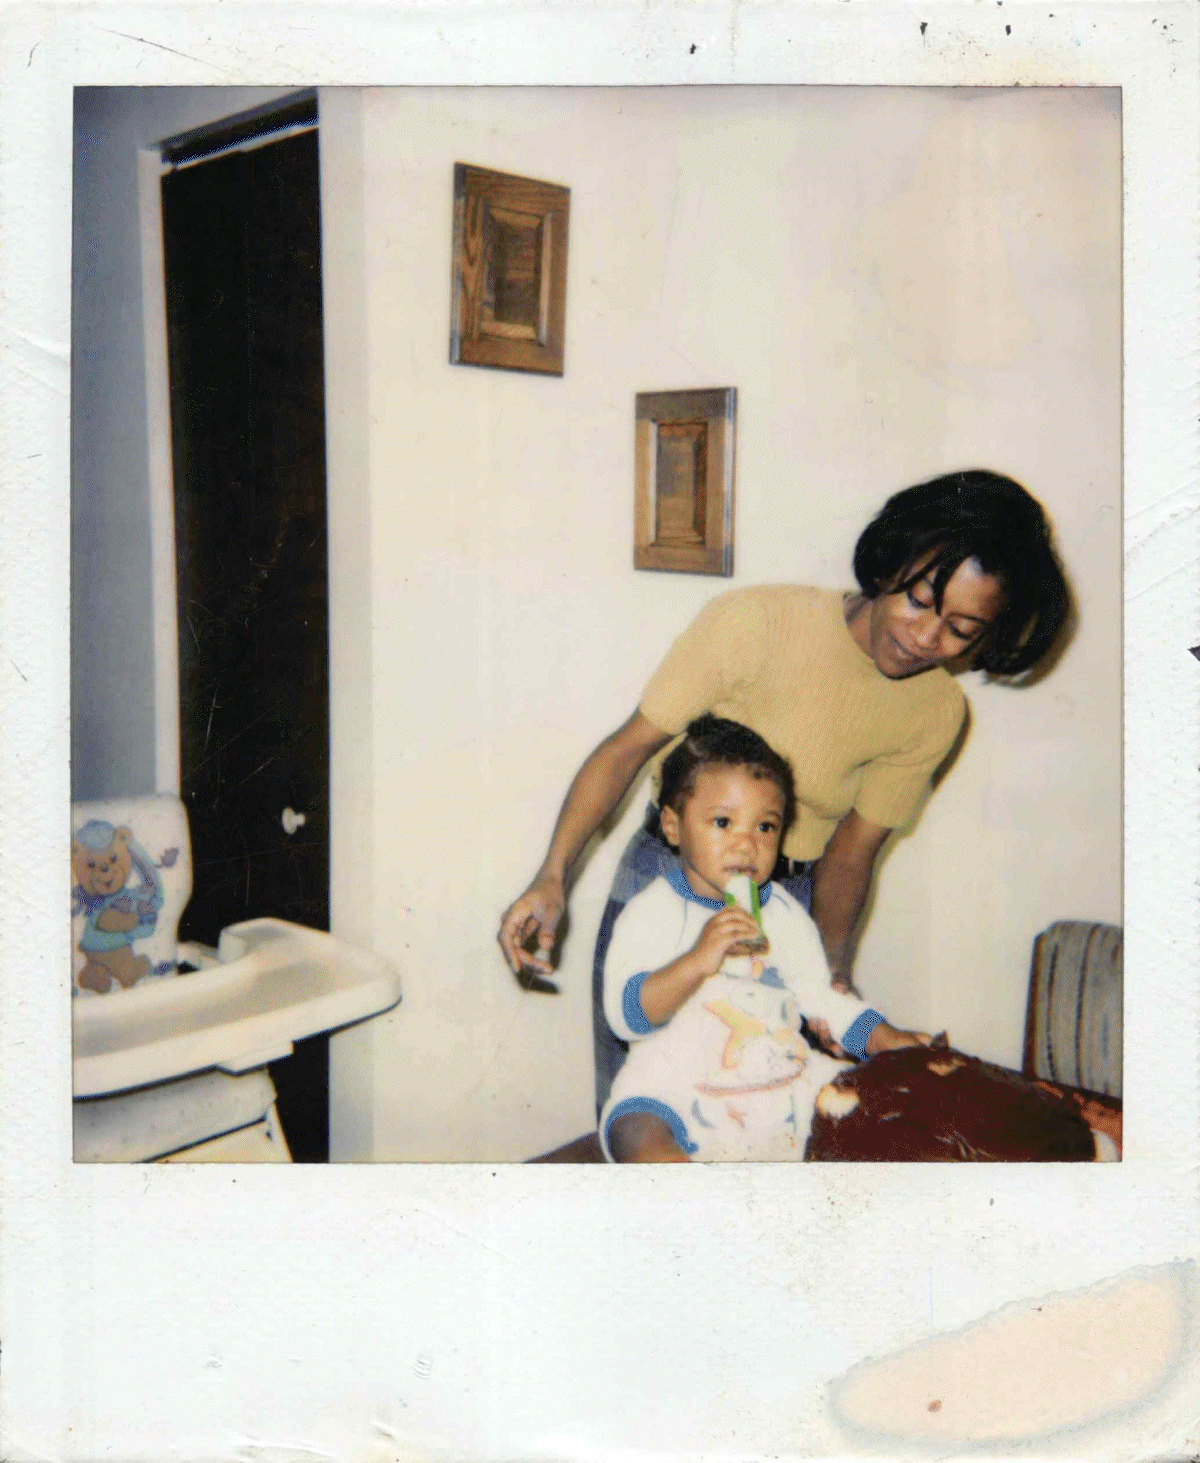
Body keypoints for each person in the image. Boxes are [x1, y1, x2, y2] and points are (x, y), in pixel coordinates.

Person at [497, 468, 1069, 1110]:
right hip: (668, 874)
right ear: (891, 563)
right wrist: (551, 877)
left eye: (961, 631)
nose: (925, 639)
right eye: (918, 601)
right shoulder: (755, 622)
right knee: (642, 1102)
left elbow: (852, 853)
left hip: (790, 905)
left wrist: (832, 976)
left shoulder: (937, 713)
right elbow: (626, 749)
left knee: (763, 1104)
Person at [601, 716, 932, 1162]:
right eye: (723, 822)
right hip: (676, 1081)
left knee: (878, 1112)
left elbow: (820, 998)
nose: (747, 844)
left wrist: (881, 1037)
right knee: (634, 1131)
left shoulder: (784, 913)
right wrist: (698, 960)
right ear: (674, 826)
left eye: (765, 827)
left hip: (776, 1076)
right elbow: (625, 1017)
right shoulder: (653, 910)